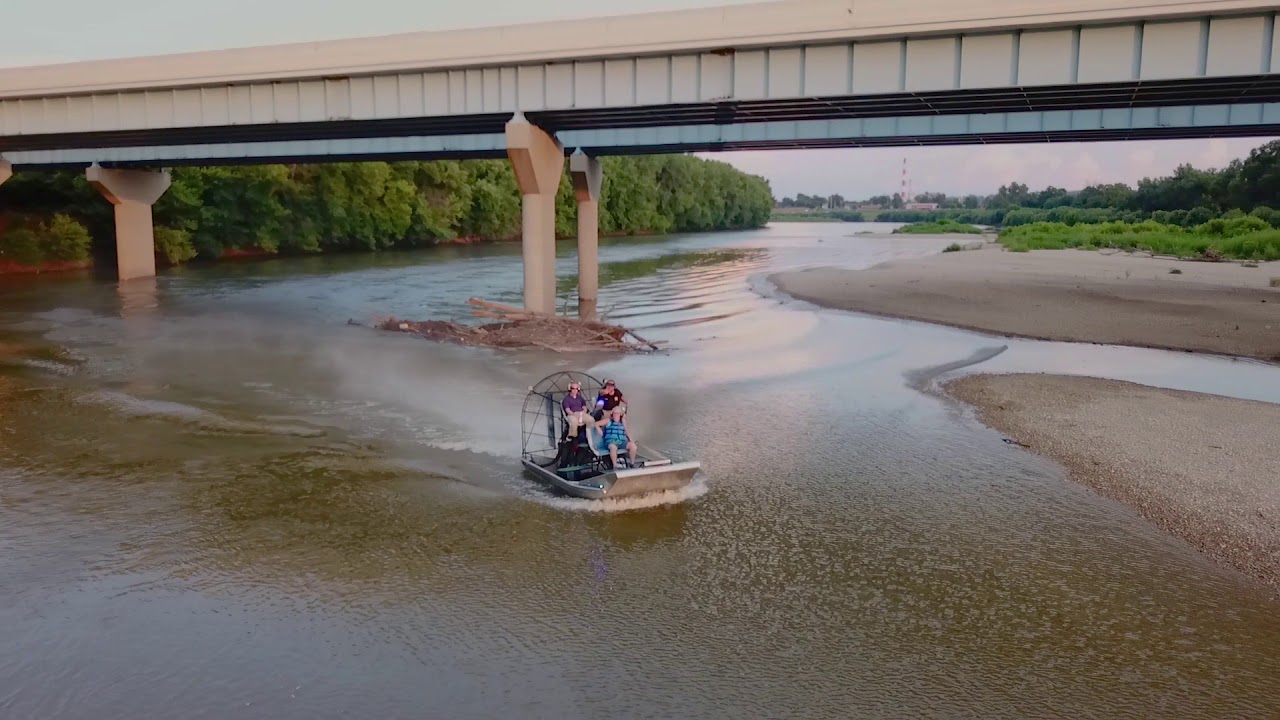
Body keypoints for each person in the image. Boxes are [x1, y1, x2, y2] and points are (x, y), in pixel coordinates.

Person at [595, 405, 638, 469]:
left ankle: (632, 464)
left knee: (633, 446)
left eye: (618, 413)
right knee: (613, 447)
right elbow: (596, 424)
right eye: (615, 413)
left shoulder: (623, 422)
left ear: (620, 414)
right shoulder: (608, 421)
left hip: (621, 441)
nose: (616, 415)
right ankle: (615, 466)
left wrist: (631, 440)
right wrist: (598, 429)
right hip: (611, 441)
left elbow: (627, 431)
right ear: (612, 413)